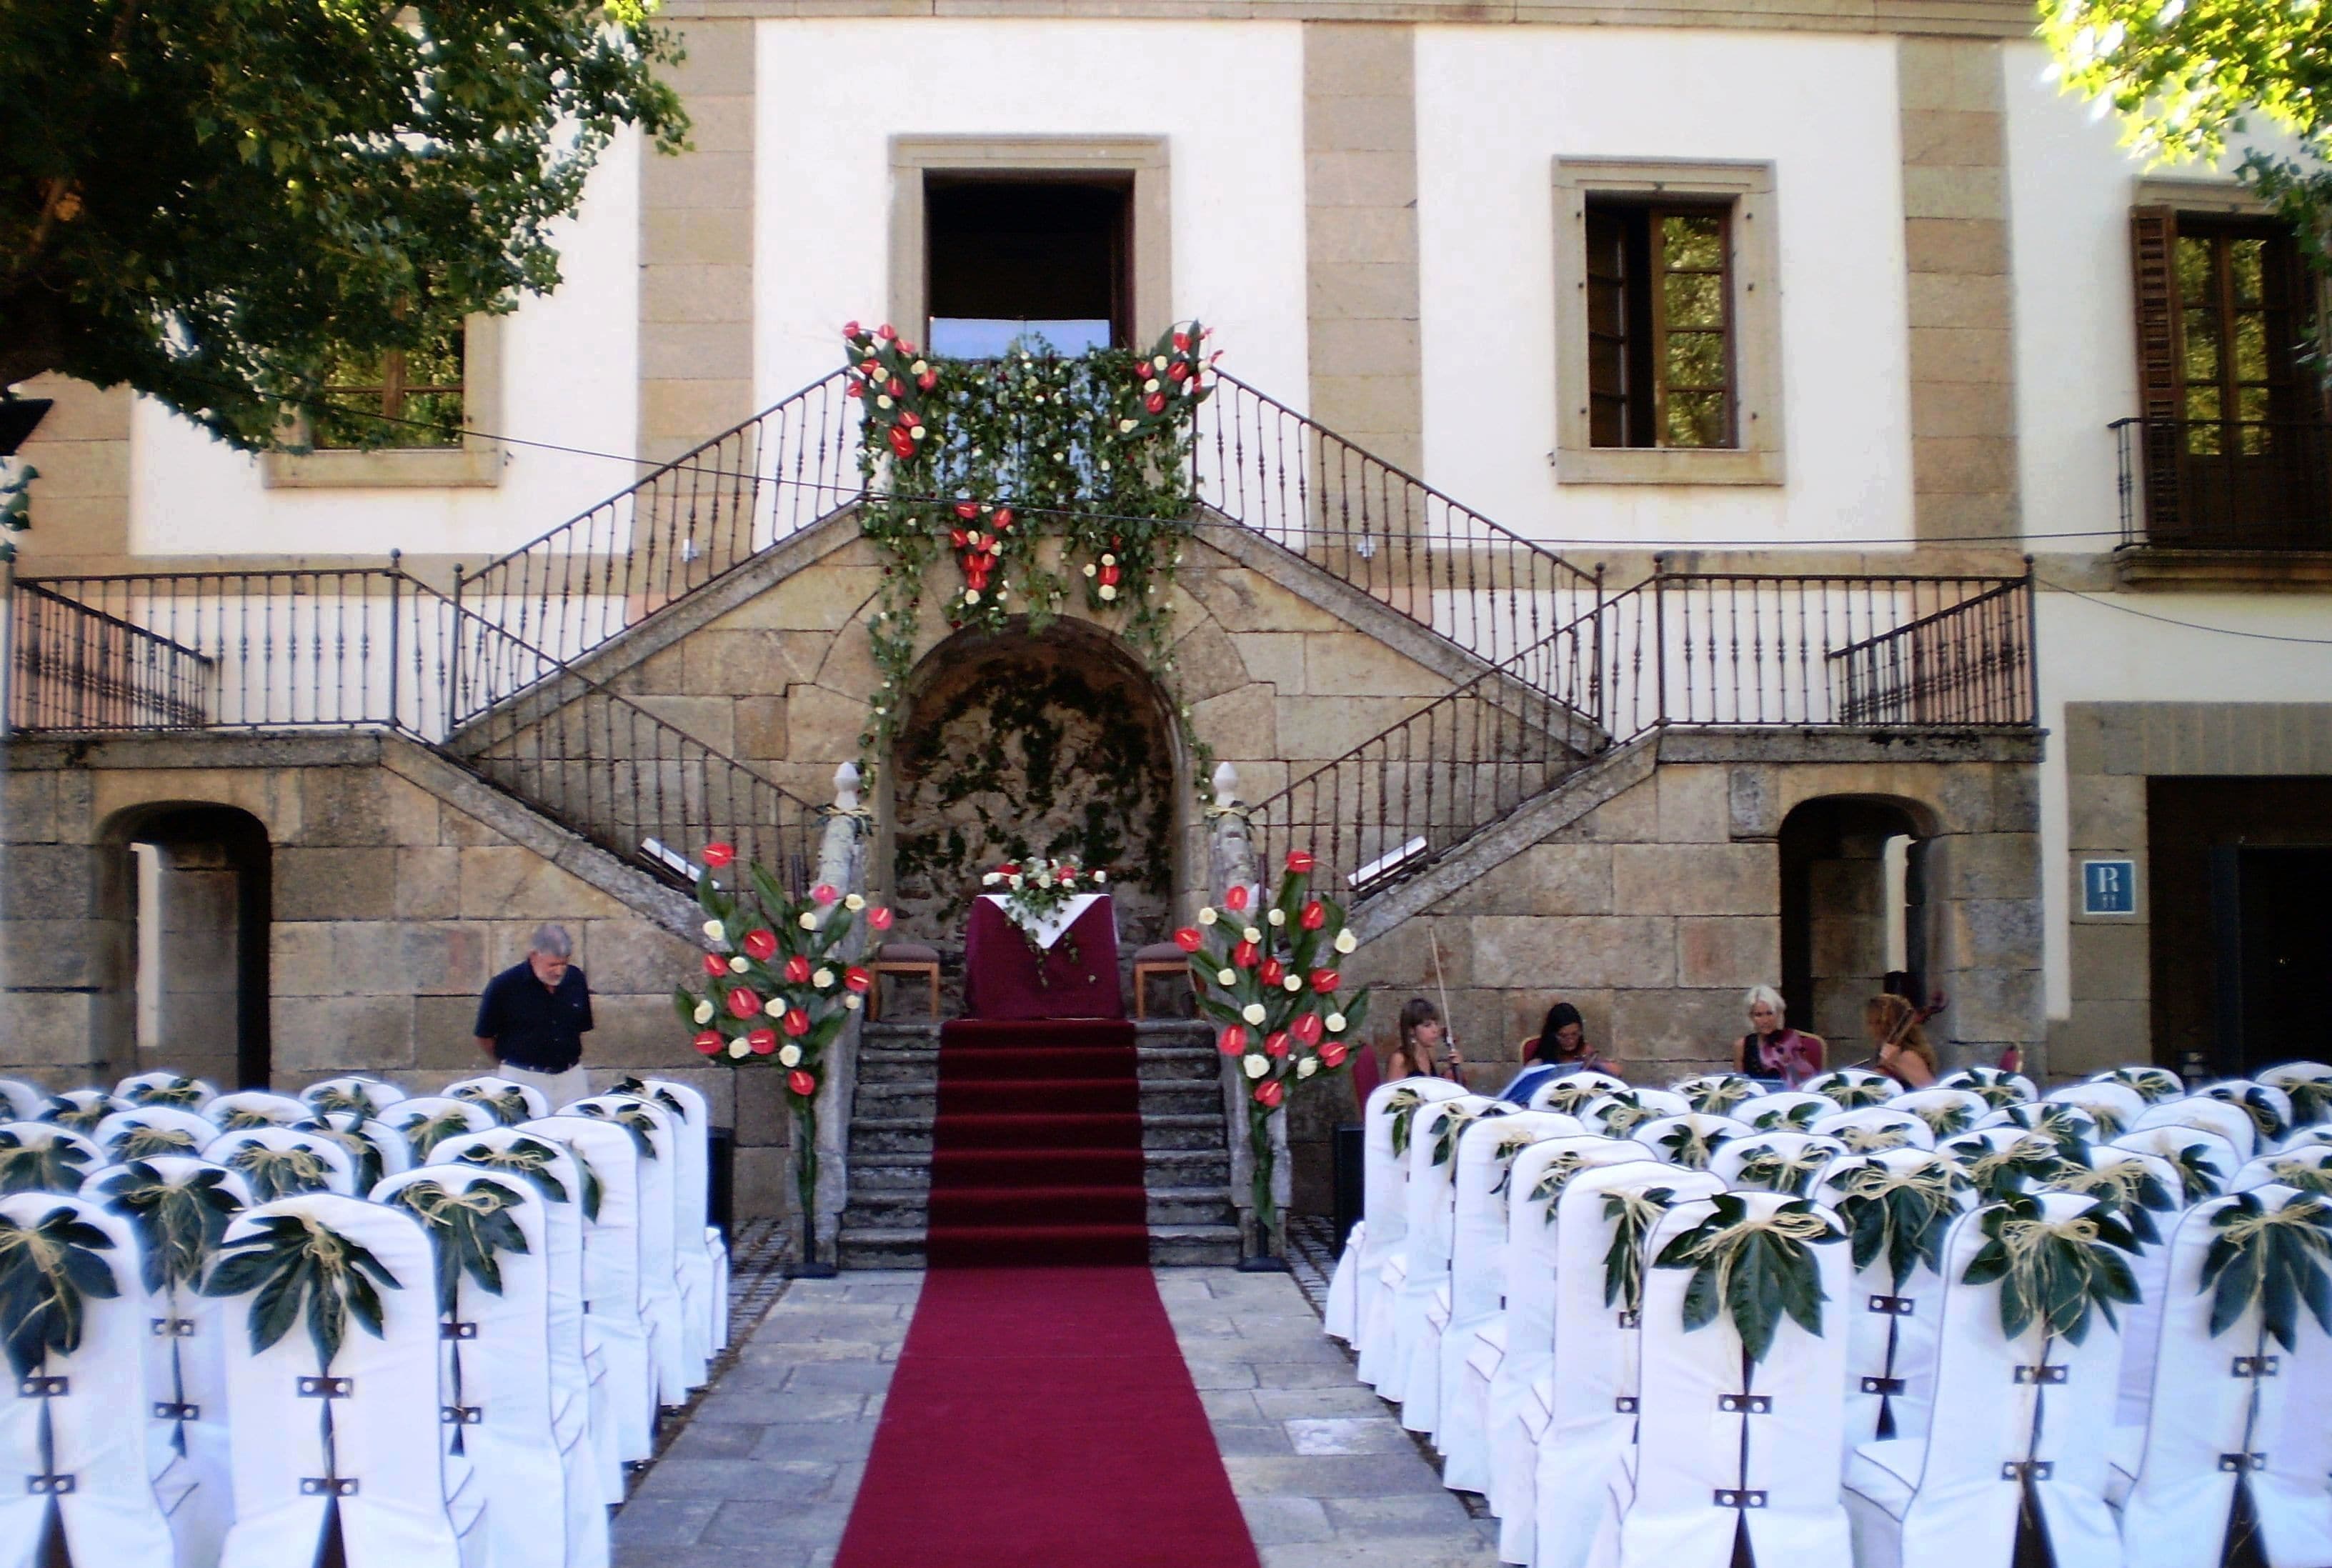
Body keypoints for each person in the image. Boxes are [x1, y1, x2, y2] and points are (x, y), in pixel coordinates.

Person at [474, 924, 594, 1108]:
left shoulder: (575, 979)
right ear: (534, 956)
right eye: (552, 965)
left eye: (563, 964)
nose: (559, 971)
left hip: (570, 1078)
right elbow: (484, 1036)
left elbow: (581, 1026)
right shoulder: (504, 986)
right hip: (523, 1078)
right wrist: (512, 1063)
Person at [1736, 985, 1823, 1088]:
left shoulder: (1791, 1041)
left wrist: (1789, 1063)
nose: (1765, 1020)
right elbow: (1739, 1087)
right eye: (1758, 1015)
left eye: (1770, 1013)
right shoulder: (1741, 1045)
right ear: (1751, 1017)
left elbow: (1799, 1082)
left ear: (1778, 1013)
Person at [1515, 1002, 1623, 1081]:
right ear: (1553, 1035)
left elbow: (1617, 1072)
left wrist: (1595, 1064)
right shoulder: (1541, 1059)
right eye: (1563, 1036)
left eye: (1575, 1034)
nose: (1570, 1040)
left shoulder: (1584, 1050)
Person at [1868, 992, 1939, 1089]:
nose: (1871, 1028)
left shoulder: (1907, 1056)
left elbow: (1932, 1090)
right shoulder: (1885, 1055)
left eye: (1875, 1022)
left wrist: (1898, 1062)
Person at [1384, 997, 1464, 1082]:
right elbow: (1394, 1090)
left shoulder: (1430, 1053)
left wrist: (1453, 1067)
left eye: (1436, 1024)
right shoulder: (1400, 1059)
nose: (1435, 1030)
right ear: (1411, 1030)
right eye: (1427, 1025)